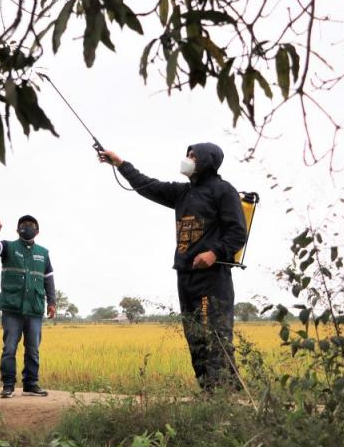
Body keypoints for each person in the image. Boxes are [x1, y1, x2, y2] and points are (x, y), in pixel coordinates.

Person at [99, 144, 247, 392]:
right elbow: (147, 185)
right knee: (195, 336)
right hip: (185, 275)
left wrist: (214, 253)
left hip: (212, 277)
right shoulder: (183, 193)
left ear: (207, 161)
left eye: (193, 156)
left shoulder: (223, 191)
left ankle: (222, 393)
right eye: (188, 155)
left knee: (215, 335)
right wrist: (120, 163)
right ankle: (209, 391)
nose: (187, 160)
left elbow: (237, 232)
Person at [0, 214, 56, 398]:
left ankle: (31, 384)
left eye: (32, 225)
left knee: (32, 349)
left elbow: (48, 279)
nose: (28, 227)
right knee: (9, 348)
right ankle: (8, 385)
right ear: (17, 229)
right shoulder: (9, 247)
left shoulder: (43, 253)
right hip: (12, 309)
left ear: (38, 231)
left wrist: (52, 302)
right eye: (24, 225)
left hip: (34, 309)